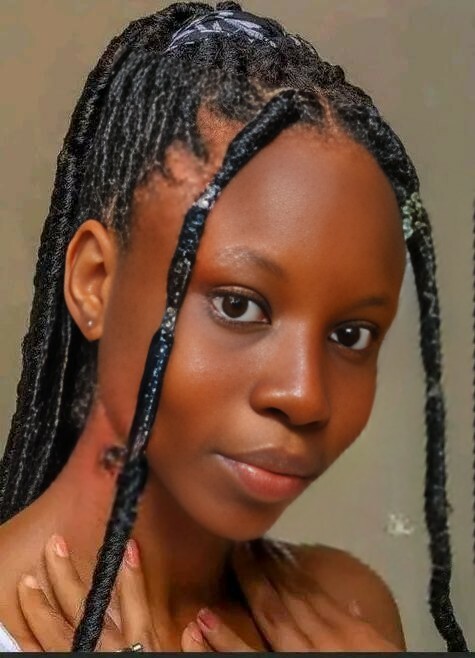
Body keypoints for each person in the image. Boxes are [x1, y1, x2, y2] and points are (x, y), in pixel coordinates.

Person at [0, 1, 467, 652]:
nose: (305, 395)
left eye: (351, 335)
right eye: (239, 306)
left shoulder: (349, 618)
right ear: (94, 282)